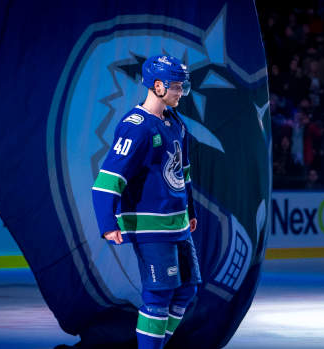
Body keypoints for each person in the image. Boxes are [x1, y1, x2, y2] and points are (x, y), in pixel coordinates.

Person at [91, 54, 200, 349]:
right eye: (176, 86)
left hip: (178, 225)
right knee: (159, 295)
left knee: (187, 290)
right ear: (157, 86)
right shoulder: (135, 126)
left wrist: (189, 208)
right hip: (152, 227)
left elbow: (183, 172)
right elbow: (107, 181)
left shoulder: (176, 122)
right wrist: (107, 222)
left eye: (182, 86)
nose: (181, 92)